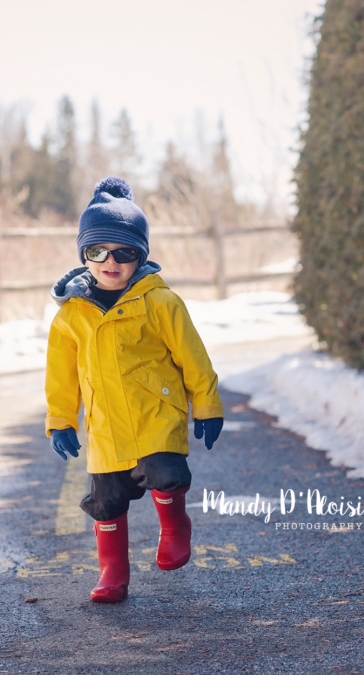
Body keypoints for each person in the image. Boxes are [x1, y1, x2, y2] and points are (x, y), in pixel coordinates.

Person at [45, 176, 225, 603]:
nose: (111, 261)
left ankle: (175, 527)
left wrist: (207, 404)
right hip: (106, 430)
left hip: (156, 417)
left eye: (124, 252)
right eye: (97, 251)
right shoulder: (71, 316)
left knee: (167, 473)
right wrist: (60, 419)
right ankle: (112, 572)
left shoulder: (160, 302)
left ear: (140, 254)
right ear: (84, 256)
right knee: (105, 502)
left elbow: (192, 357)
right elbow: (61, 374)